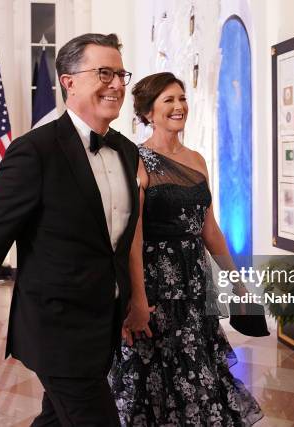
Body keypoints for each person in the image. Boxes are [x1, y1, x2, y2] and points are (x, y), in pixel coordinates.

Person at [0, 33, 152, 426]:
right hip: (56, 329)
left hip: (104, 322)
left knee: (56, 419)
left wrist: (132, 298)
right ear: (68, 81)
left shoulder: (125, 150)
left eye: (121, 74)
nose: (118, 85)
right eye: (104, 73)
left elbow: (119, 242)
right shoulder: (33, 151)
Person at [110, 72, 264, 426]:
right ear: (148, 112)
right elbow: (131, 236)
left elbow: (209, 229)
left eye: (182, 98)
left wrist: (237, 283)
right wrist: (136, 297)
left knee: (198, 368)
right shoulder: (136, 159)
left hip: (194, 282)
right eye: (168, 100)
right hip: (155, 283)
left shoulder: (197, 160)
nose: (179, 106)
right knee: (156, 372)